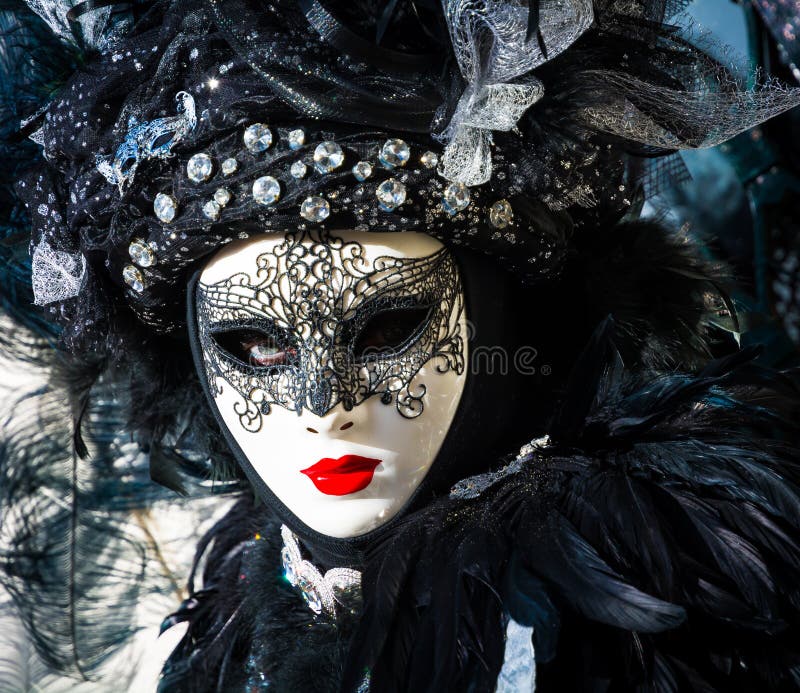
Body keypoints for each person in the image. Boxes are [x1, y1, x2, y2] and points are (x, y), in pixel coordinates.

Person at [2, 1, 800, 691]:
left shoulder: (671, 596)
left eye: (386, 327)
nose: (325, 409)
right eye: (255, 343)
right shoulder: (237, 607)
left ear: (505, 311)